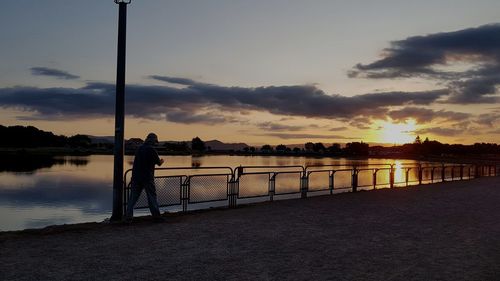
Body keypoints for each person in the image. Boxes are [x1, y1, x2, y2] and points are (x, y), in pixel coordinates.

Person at [125, 133, 165, 222]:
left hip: (136, 176)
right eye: (155, 141)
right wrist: (162, 160)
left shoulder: (139, 148)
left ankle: (128, 217)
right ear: (153, 141)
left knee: (133, 197)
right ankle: (156, 217)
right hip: (147, 177)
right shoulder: (152, 150)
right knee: (151, 197)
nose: (155, 143)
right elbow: (158, 163)